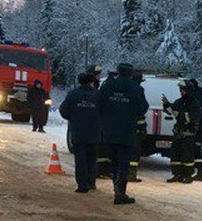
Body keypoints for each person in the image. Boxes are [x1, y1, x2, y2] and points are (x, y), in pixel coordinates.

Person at [97, 63, 149, 205]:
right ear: (131, 73)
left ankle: (116, 189)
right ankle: (121, 191)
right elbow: (143, 107)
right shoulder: (136, 88)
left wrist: (107, 117)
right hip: (127, 130)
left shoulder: (107, 86)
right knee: (124, 162)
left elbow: (99, 103)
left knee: (113, 160)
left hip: (110, 129)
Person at [59, 72, 101, 192]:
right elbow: (105, 111)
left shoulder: (73, 94)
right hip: (94, 132)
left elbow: (64, 110)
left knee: (80, 159)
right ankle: (91, 181)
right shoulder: (98, 95)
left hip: (78, 132)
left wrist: (73, 117)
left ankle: (82, 185)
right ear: (91, 82)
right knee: (92, 158)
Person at [162, 80, 198, 183]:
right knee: (175, 155)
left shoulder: (194, 103)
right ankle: (177, 174)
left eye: (183, 90)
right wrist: (166, 105)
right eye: (181, 90)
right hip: (178, 133)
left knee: (187, 156)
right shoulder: (179, 101)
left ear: (188, 90)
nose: (181, 92)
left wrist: (180, 115)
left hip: (188, 133)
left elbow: (193, 117)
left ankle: (188, 176)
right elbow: (171, 111)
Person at [187, 77, 202, 181]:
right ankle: (198, 171)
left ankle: (199, 172)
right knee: (195, 148)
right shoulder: (201, 95)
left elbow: (196, 113)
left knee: (194, 148)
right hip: (200, 126)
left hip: (197, 127)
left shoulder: (196, 97)